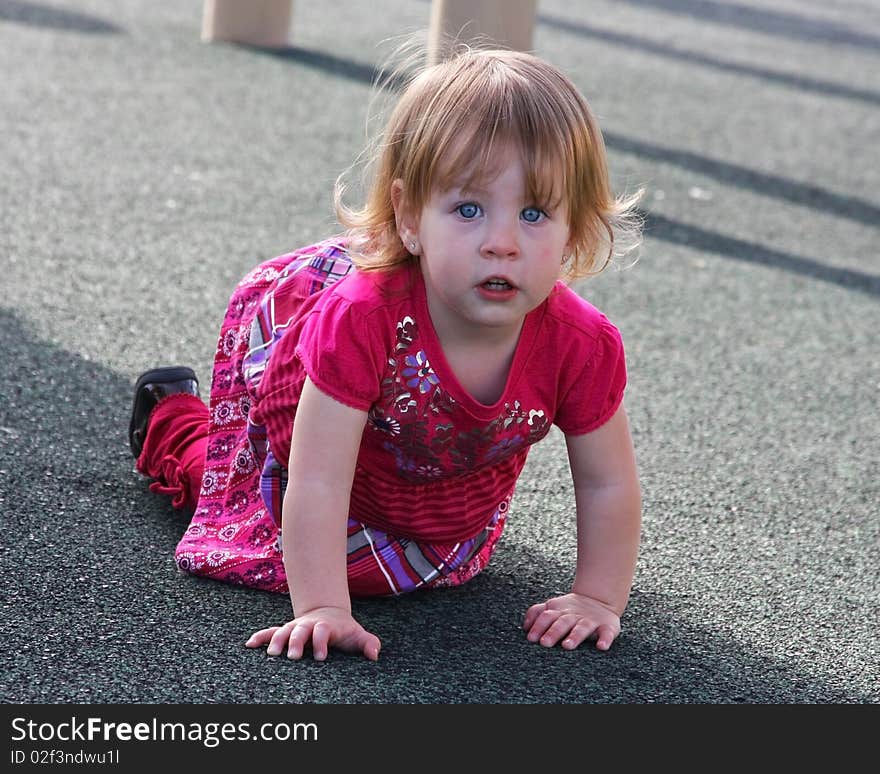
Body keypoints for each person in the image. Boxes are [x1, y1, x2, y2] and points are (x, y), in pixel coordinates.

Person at [129, 46, 643, 662]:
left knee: (409, 576)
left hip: (437, 499)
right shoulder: (363, 318)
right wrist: (323, 607)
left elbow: (608, 481)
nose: (501, 243)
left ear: (575, 231)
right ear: (407, 217)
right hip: (307, 458)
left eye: (535, 212)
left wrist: (597, 598)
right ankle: (172, 418)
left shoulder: (580, 345)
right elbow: (316, 480)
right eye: (469, 209)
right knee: (221, 485)